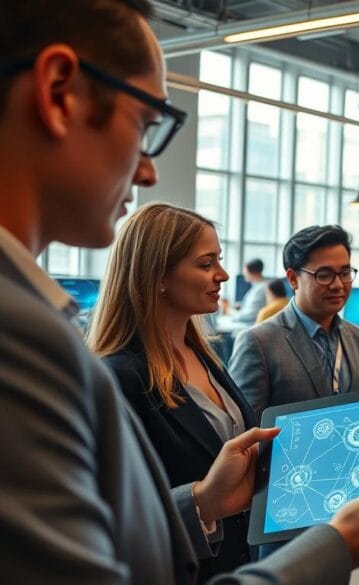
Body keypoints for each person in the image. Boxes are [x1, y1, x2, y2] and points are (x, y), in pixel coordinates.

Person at [0, 1, 359, 581]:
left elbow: (119, 537)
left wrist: (204, 501)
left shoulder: (136, 345)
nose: (147, 172)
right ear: (58, 91)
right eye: (147, 125)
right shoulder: (26, 342)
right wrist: (338, 547)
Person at [89, 203, 255, 580]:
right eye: (205, 264)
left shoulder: (206, 356)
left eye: (220, 261)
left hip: (235, 563)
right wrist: (203, 502)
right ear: (158, 275)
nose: (223, 275)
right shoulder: (118, 378)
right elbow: (113, 513)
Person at [229, 225, 359, 421]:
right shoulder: (258, 342)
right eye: (324, 275)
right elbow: (243, 428)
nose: (338, 285)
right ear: (293, 278)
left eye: (345, 273)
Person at [234, 258, 267, 324]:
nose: (244, 273)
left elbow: (250, 316)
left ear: (253, 272)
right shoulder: (257, 286)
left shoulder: (261, 289)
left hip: (251, 325)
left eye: (245, 271)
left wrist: (229, 311)